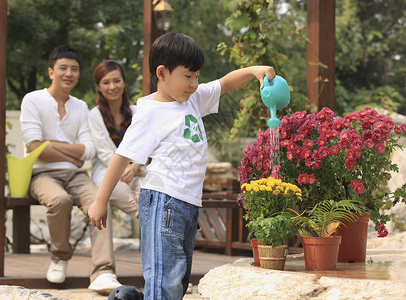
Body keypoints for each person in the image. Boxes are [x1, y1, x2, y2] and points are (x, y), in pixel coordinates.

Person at [88, 33, 276, 299]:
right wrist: (99, 201)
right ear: (162, 73)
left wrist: (253, 71)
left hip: (187, 204)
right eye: (188, 76)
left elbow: (224, 84)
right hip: (163, 202)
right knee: (165, 280)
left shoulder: (192, 99)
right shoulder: (150, 113)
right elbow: (120, 158)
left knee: (178, 279)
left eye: (197, 76)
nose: (194, 83)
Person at [20, 45, 122, 294]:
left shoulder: (80, 107)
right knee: (59, 200)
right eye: (63, 68)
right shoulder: (32, 99)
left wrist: (51, 145)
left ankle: (103, 271)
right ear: (51, 71)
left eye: (74, 69)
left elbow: (88, 151)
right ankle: (59, 257)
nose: (69, 73)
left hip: (77, 174)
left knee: (100, 201)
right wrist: (69, 153)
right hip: (42, 174)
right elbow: (34, 146)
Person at [88, 60, 145, 219]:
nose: (112, 87)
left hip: (137, 171)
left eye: (117, 81)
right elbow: (105, 154)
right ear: (99, 87)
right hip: (108, 174)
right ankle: (151, 222)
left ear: (124, 83)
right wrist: (131, 169)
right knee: (124, 195)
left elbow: (145, 146)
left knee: (149, 194)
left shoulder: (136, 111)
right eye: (106, 82)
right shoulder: (95, 115)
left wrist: (135, 169)